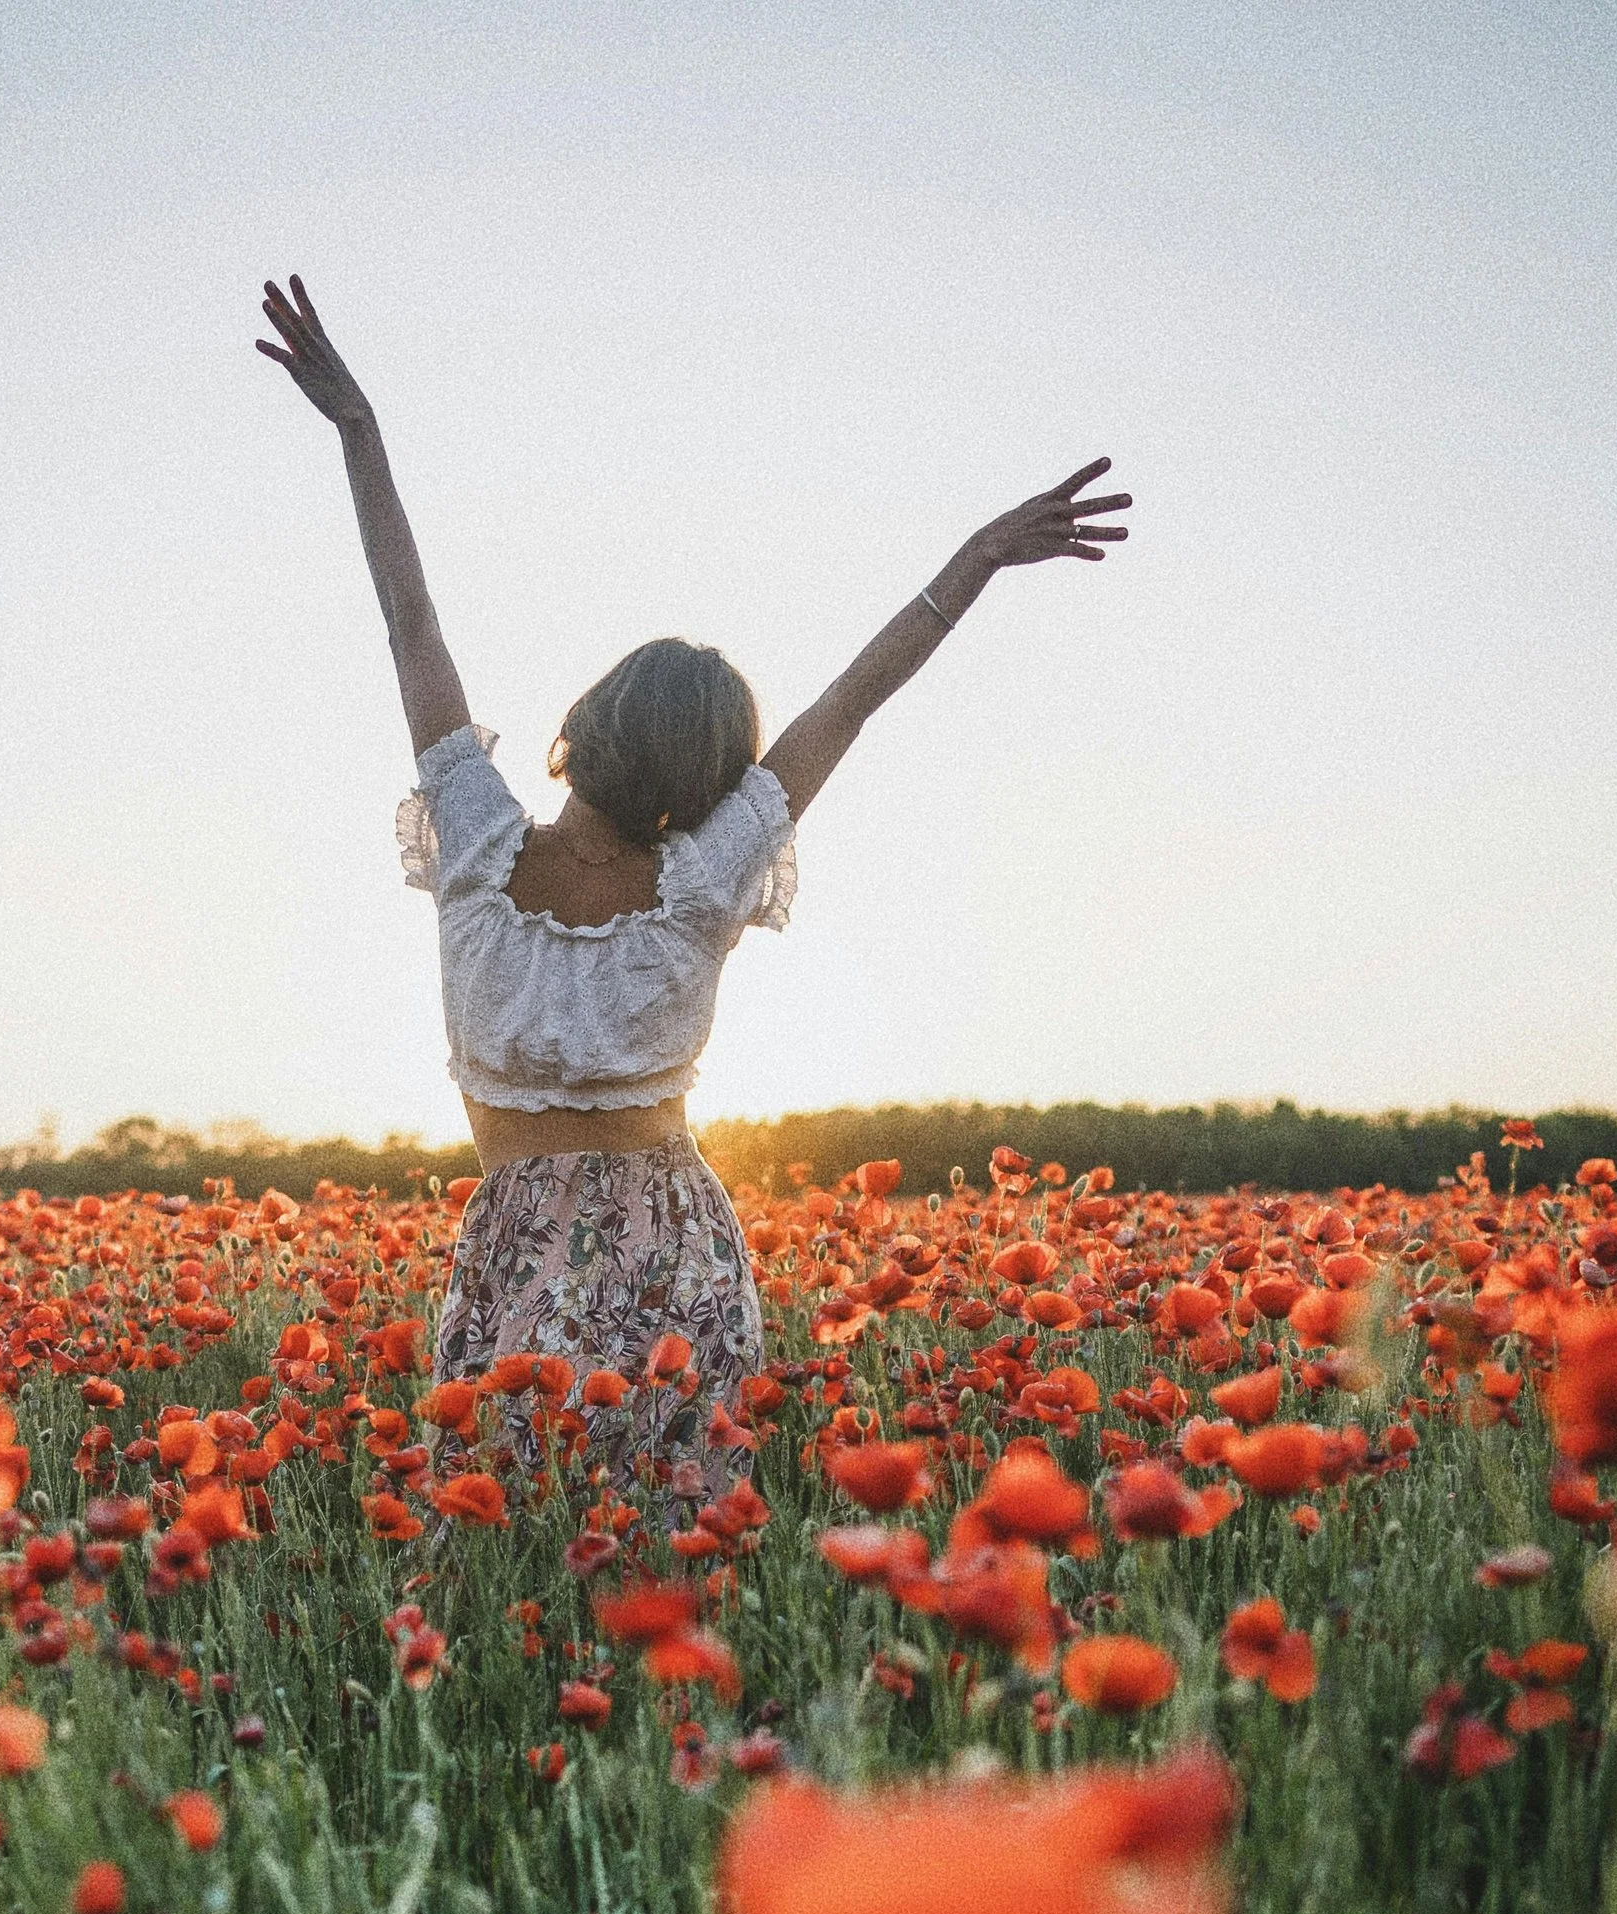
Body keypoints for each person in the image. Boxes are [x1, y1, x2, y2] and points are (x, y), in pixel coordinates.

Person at [256, 272, 1128, 1485]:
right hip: (674, 1252)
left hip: (518, 1245)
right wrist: (972, 558)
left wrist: (360, 431)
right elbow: (850, 705)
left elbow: (410, 622)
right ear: (713, 780)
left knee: (516, 1553)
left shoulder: (475, 837)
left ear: (580, 721)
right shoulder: (703, 874)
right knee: (655, 1572)